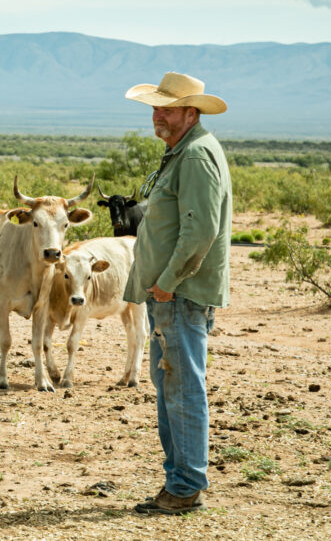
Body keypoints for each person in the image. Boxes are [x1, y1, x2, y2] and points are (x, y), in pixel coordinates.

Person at [121, 72, 232, 515]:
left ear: (191, 112)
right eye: (154, 107)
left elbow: (200, 230)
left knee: (181, 388)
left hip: (178, 294)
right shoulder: (184, 152)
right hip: (170, 294)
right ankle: (179, 481)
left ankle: (185, 487)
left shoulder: (196, 155)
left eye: (165, 108)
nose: (156, 116)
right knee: (172, 384)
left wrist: (167, 282)